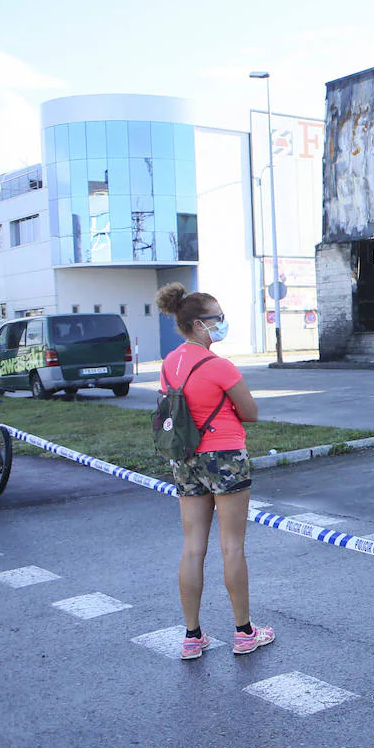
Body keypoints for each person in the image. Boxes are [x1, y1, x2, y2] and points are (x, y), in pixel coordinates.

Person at [154, 282, 273, 660]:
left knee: (193, 548)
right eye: (217, 318)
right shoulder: (219, 365)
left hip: (186, 458)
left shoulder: (168, 364)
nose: (222, 324)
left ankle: (192, 636)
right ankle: (243, 632)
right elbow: (251, 412)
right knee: (232, 546)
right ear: (199, 324)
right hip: (224, 456)